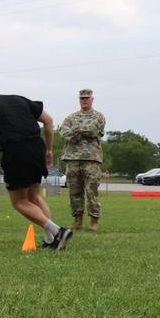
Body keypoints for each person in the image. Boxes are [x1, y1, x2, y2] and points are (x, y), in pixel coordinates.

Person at [0, 76, 72, 250]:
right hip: (36, 147)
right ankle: (51, 240)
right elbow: (48, 121)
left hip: (16, 150)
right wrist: (48, 149)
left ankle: (58, 232)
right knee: (34, 197)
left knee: (19, 201)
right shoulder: (19, 99)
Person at [60, 88, 106, 232]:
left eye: (87, 98)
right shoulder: (71, 117)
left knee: (91, 190)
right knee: (74, 191)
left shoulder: (98, 116)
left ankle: (94, 222)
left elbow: (93, 130)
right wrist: (79, 132)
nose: (84, 100)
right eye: (82, 98)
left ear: (92, 99)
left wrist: (75, 130)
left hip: (91, 158)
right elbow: (63, 131)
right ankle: (77, 221)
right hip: (72, 158)